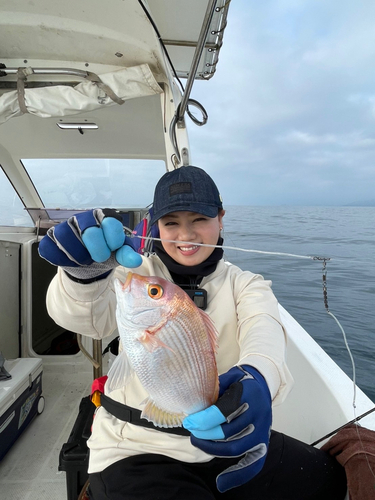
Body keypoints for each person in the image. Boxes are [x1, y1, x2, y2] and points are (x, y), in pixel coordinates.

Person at [39, 166, 347, 500]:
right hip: (135, 447)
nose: (185, 235)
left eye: (199, 218)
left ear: (221, 217)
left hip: (227, 437)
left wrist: (258, 376)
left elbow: (265, 336)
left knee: (333, 482)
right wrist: (82, 275)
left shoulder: (247, 285)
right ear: (156, 226)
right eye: (171, 223)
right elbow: (87, 319)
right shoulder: (134, 275)